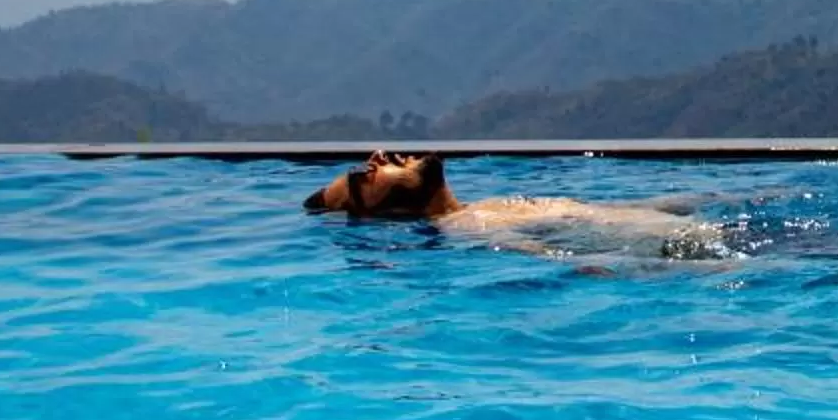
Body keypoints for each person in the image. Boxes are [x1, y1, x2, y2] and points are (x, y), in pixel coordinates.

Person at [303, 150, 733, 258]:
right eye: (362, 176)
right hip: (691, 252)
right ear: (376, 212)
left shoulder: (482, 206)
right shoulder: (465, 228)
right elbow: (542, 253)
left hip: (699, 232)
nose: (378, 157)